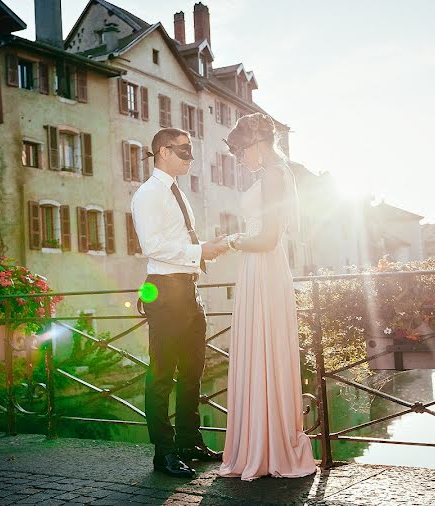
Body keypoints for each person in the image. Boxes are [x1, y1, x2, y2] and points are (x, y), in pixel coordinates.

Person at [217, 113, 317, 481]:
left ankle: (269, 447)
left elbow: (268, 239)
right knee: (260, 349)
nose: (240, 160)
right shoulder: (272, 174)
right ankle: (260, 442)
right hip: (257, 269)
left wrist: (230, 241)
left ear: (257, 145)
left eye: (241, 152)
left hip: (262, 265)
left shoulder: (274, 175)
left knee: (264, 349)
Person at [131, 128, 230, 478]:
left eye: (190, 151)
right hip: (163, 291)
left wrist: (207, 248)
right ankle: (164, 453)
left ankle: (190, 442)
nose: (190, 157)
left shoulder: (177, 194)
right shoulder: (148, 194)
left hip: (188, 290)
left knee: (192, 371)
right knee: (161, 374)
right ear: (162, 152)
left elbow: (180, 244)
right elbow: (152, 246)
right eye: (184, 151)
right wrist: (199, 250)